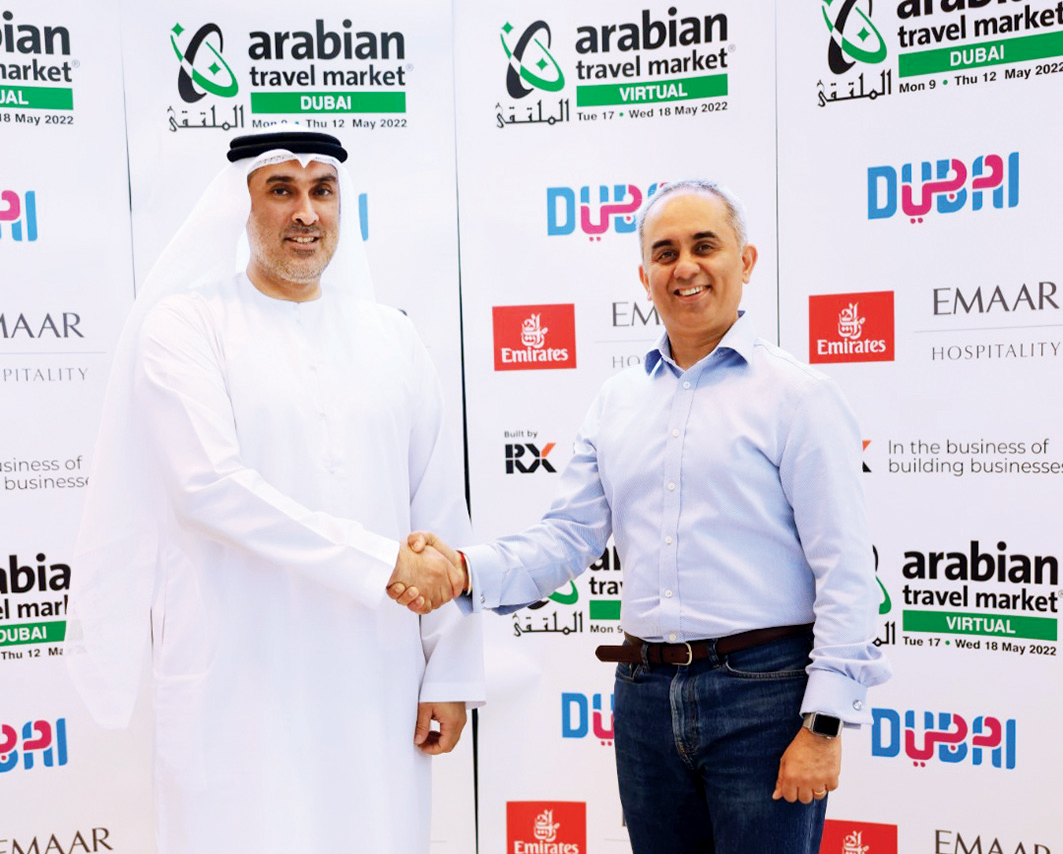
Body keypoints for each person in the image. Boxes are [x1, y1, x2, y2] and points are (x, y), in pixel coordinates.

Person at [393, 180, 890, 854]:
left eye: (704, 246)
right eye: (665, 252)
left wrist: (824, 723)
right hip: (643, 696)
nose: (684, 267)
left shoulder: (799, 397)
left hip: (765, 698)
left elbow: (845, 570)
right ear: (644, 276)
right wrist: (460, 568)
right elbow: (566, 537)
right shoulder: (617, 400)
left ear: (745, 261)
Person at [66, 129, 483, 854]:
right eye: (281, 190)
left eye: (322, 191)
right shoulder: (186, 324)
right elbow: (209, 487)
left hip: (374, 679)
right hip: (241, 682)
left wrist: (449, 669)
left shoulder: (392, 337)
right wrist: (381, 561)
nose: (306, 213)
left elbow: (439, 510)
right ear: (242, 204)